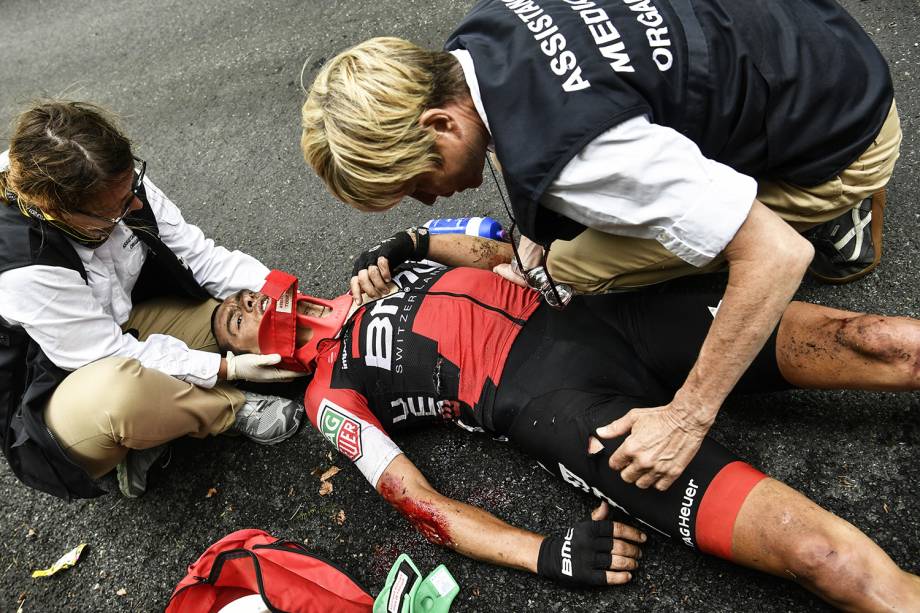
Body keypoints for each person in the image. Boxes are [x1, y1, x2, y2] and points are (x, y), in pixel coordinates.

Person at [299, 1, 903, 493]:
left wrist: (685, 417)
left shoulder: (581, 159)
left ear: (439, 124)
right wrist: (529, 227)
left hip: (848, 134)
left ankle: (837, 215)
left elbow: (776, 255)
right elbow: (566, 113)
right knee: (557, 231)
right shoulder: (484, 34)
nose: (428, 203)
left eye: (415, 182)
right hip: (810, 34)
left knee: (575, 267)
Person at [213, 230, 919, 610]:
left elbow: (499, 248)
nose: (242, 307)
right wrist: (544, 551)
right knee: (823, 559)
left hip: (609, 322)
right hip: (562, 409)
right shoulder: (326, 399)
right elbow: (421, 503)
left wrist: (414, 240)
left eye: (239, 296)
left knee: (880, 341)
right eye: (229, 323)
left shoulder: (377, 276)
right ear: (246, 361)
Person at [0, 100, 305, 500]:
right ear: (56, 211)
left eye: (132, 190)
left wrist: (286, 299)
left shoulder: (103, 174)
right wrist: (226, 369)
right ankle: (224, 410)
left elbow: (201, 257)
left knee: (238, 321)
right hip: (58, 391)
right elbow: (106, 355)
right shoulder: (22, 260)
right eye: (118, 210)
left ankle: (160, 422)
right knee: (123, 395)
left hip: (118, 326)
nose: (136, 206)